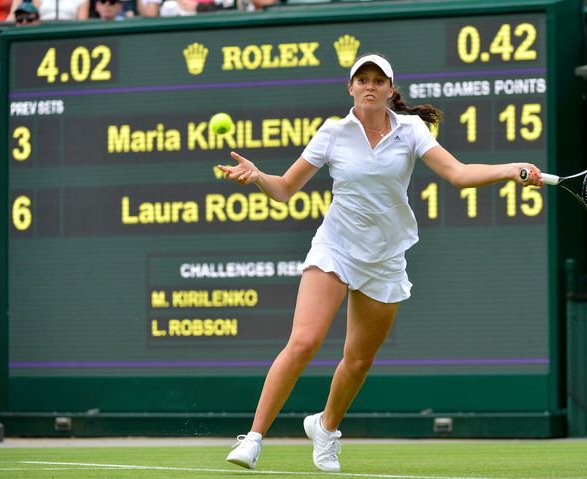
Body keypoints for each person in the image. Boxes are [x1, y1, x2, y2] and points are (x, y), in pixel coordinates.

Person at [219, 53, 543, 473]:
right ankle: (254, 438)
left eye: (378, 80)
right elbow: (284, 189)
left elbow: (459, 174)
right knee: (304, 342)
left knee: (358, 360)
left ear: (390, 89)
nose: (369, 86)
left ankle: (325, 428)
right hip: (336, 247)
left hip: (385, 257)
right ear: (350, 88)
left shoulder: (411, 130)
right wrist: (258, 176)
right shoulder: (332, 133)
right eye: (362, 80)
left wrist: (510, 168)